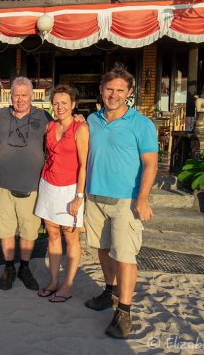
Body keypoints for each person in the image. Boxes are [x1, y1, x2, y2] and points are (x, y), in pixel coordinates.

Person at [84, 67, 158, 339]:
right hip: (95, 198)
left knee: (125, 256)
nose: (113, 95)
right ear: (101, 90)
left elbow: (151, 164)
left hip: (125, 200)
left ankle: (124, 312)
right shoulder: (92, 120)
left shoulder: (142, 124)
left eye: (119, 90)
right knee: (103, 249)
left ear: (129, 93)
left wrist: (143, 198)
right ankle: (109, 291)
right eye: (109, 89)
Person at [0, 77, 52, 291]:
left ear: (31, 96)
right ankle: (9, 267)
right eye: (17, 95)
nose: (20, 99)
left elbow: (62, 133)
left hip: (32, 186)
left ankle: (24, 267)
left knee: (29, 230)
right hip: (3, 185)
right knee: (5, 229)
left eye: (25, 95)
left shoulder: (44, 117)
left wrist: (78, 118)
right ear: (10, 95)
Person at [34, 85, 89, 302]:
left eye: (64, 103)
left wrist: (79, 196)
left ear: (73, 104)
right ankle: (54, 280)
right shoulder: (49, 126)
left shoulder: (80, 128)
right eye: (56, 103)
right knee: (53, 234)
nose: (60, 107)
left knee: (70, 236)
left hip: (70, 188)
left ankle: (67, 285)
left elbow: (83, 165)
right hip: (48, 184)